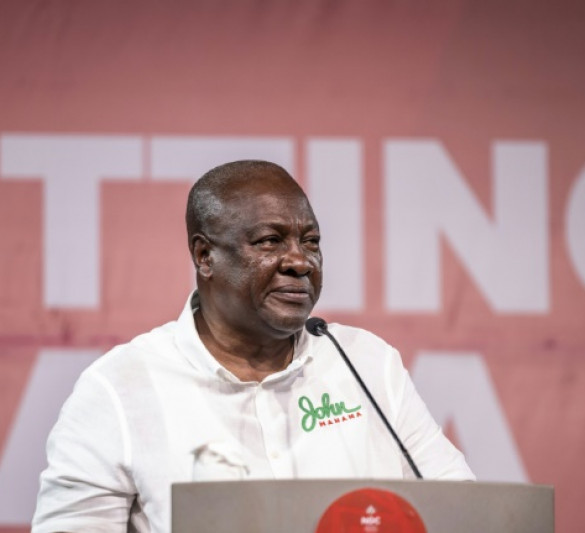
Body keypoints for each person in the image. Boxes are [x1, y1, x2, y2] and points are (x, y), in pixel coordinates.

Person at [32, 160, 474, 533]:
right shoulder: (118, 389)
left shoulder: (367, 363)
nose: (300, 261)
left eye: (311, 242)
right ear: (204, 256)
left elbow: (464, 513)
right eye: (270, 241)